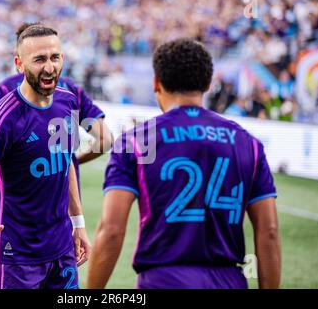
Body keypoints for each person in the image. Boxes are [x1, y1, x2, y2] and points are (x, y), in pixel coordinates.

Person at [87, 38, 281, 289]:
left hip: (163, 280)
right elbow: (269, 232)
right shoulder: (249, 144)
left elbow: (111, 230)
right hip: (228, 281)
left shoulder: (135, 141)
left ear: (156, 82)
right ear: (208, 84)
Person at [0, 24, 91, 289]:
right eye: (39, 59)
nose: (49, 67)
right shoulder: (4, 118)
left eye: (55, 57)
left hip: (63, 250)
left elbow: (67, 165)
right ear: (19, 64)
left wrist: (79, 224)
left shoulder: (68, 101)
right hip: (18, 256)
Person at [0, 23, 113, 194]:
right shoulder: (71, 90)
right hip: (65, 203)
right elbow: (105, 140)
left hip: (19, 202)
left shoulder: (3, 90)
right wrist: (65, 162)